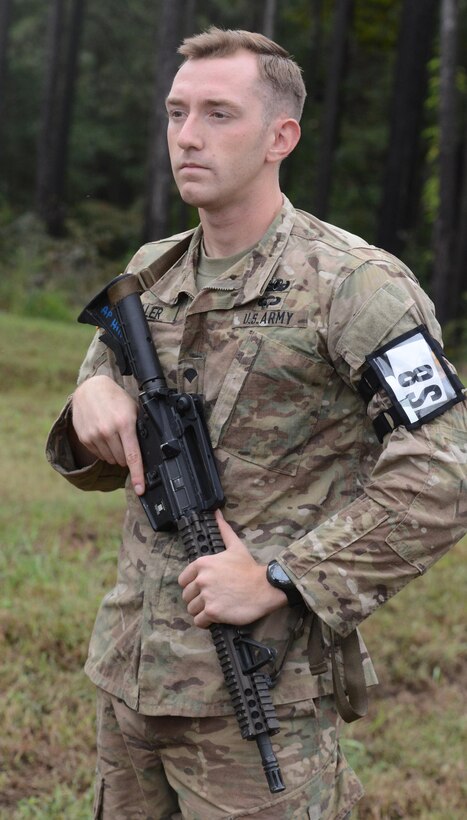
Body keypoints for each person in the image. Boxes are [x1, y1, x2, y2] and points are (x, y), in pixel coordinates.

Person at [46, 27, 467, 820]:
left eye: (218, 113)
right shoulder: (152, 273)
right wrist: (90, 394)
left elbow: (445, 469)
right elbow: (112, 436)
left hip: (260, 699)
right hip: (131, 678)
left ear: (281, 136)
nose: (189, 136)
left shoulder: (355, 286)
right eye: (176, 113)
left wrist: (282, 577)